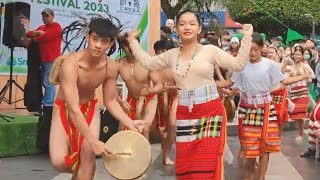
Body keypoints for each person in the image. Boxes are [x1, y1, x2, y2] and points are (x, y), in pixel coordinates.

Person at [127, 9, 254, 180]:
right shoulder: (171, 55)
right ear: (177, 29)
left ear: (199, 28)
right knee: (187, 167)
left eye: (192, 23)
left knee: (209, 164)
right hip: (185, 112)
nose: (187, 27)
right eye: (182, 24)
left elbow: (238, 64)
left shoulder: (210, 50)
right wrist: (133, 42)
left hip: (210, 111)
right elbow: (148, 62)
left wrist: (247, 37)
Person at [49, 18, 145, 179]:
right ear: (88, 37)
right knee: (59, 162)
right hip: (64, 108)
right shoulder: (70, 64)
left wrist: (130, 122)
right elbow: (72, 108)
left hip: (89, 108)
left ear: (110, 43)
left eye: (104, 41)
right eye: (95, 39)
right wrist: (94, 141)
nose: (98, 45)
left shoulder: (110, 67)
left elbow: (110, 101)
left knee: (87, 154)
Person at [217, 35, 312, 180]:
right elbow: (230, 84)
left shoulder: (269, 65)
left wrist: (303, 76)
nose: (253, 53)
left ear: (262, 49)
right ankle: (249, 175)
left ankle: (261, 177)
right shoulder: (241, 66)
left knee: (266, 147)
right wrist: (209, 82)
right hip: (247, 110)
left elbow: (284, 80)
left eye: (256, 49)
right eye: (250, 50)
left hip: (266, 109)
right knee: (249, 148)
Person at [141, 39, 176, 165]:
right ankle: (146, 156)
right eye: (159, 52)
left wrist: (170, 89)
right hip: (157, 97)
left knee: (172, 125)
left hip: (175, 96)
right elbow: (156, 86)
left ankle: (166, 155)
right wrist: (149, 91)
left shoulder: (177, 66)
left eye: (165, 51)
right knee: (153, 128)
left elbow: (182, 86)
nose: (162, 54)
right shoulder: (152, 68)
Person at [117, 33, 157, 141]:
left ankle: (146, 157)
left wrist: (151, 90)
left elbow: (159, 84)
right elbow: (111, 88)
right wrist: (121, 102)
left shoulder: (147, 61)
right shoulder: (119, 64)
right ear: (122, 47)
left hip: (149, 99)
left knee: (144, 128)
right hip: (131, 100)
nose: (129, 48)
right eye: (126, 45)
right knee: (125, 131)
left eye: (132, 44)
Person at [26, 8, 62, 110]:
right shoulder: (42, 27)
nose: (44, 18)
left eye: (47, 16)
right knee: (44, 82)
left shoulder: (57, 26)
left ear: (52, 16)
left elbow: (45, 37)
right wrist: (38, 32)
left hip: (52, 60)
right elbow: (28, 34)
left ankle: (48, 105)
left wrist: (36, 36)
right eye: (43, 16)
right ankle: (47, 104)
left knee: (48, 83)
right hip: (43, 59)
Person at [282, 47, 316, 140]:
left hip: (303, 92)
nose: (297, 56)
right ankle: (300, 132)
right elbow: (283, 73)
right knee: (296, 114)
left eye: (299, 54)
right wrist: (285, 61)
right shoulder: (291, 67)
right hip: (293, 92)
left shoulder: (304, 65)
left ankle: (301, 134)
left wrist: (305, 76)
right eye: (295, 54)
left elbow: (313, 75)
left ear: (302, 56)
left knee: (301, 114)